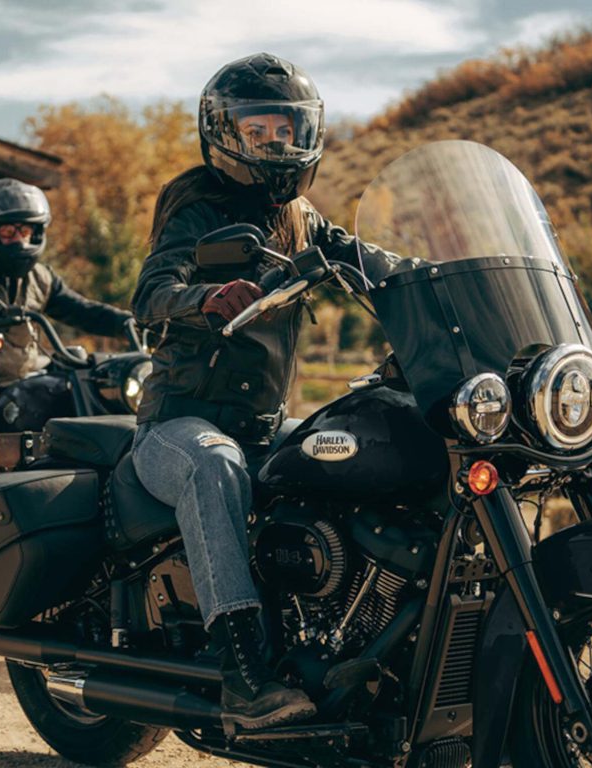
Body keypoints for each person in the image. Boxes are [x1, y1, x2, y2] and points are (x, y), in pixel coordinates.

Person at [130, 53, 400, 731]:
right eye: (259, 132)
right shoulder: (194, 202)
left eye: (286, 130)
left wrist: (429, 277)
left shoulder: (301, 215)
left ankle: (355, 646)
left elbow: (360, 256)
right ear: (225, 133)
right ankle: (243, 673)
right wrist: (207, 296)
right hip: (177, 425)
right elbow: (152, 292)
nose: (275, 144)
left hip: (262, 424)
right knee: (212, 464)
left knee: (360, 445)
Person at [0, 178, 133, 484]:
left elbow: (81, 309)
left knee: (75, 386)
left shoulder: (40, 278)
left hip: (21, 381)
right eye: (8, 231)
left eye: (26, 231)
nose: (19, 240)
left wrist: (127, 322)